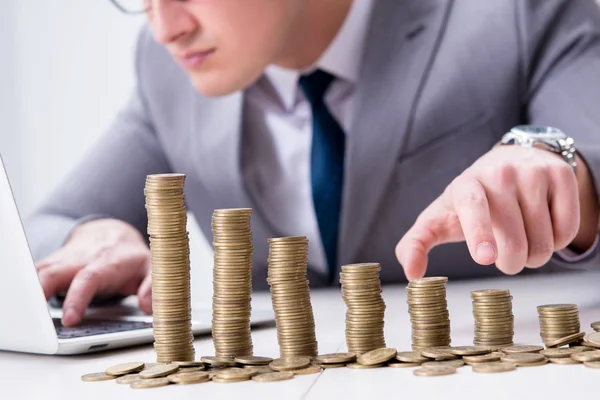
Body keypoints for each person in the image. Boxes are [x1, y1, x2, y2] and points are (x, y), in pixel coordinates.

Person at [25, 0, 600, 327]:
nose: (166, 26)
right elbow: (49, 227)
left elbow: (586, 149)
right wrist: (91, 235)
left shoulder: (520, 11)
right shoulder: (169, 67)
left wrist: (560, 175)